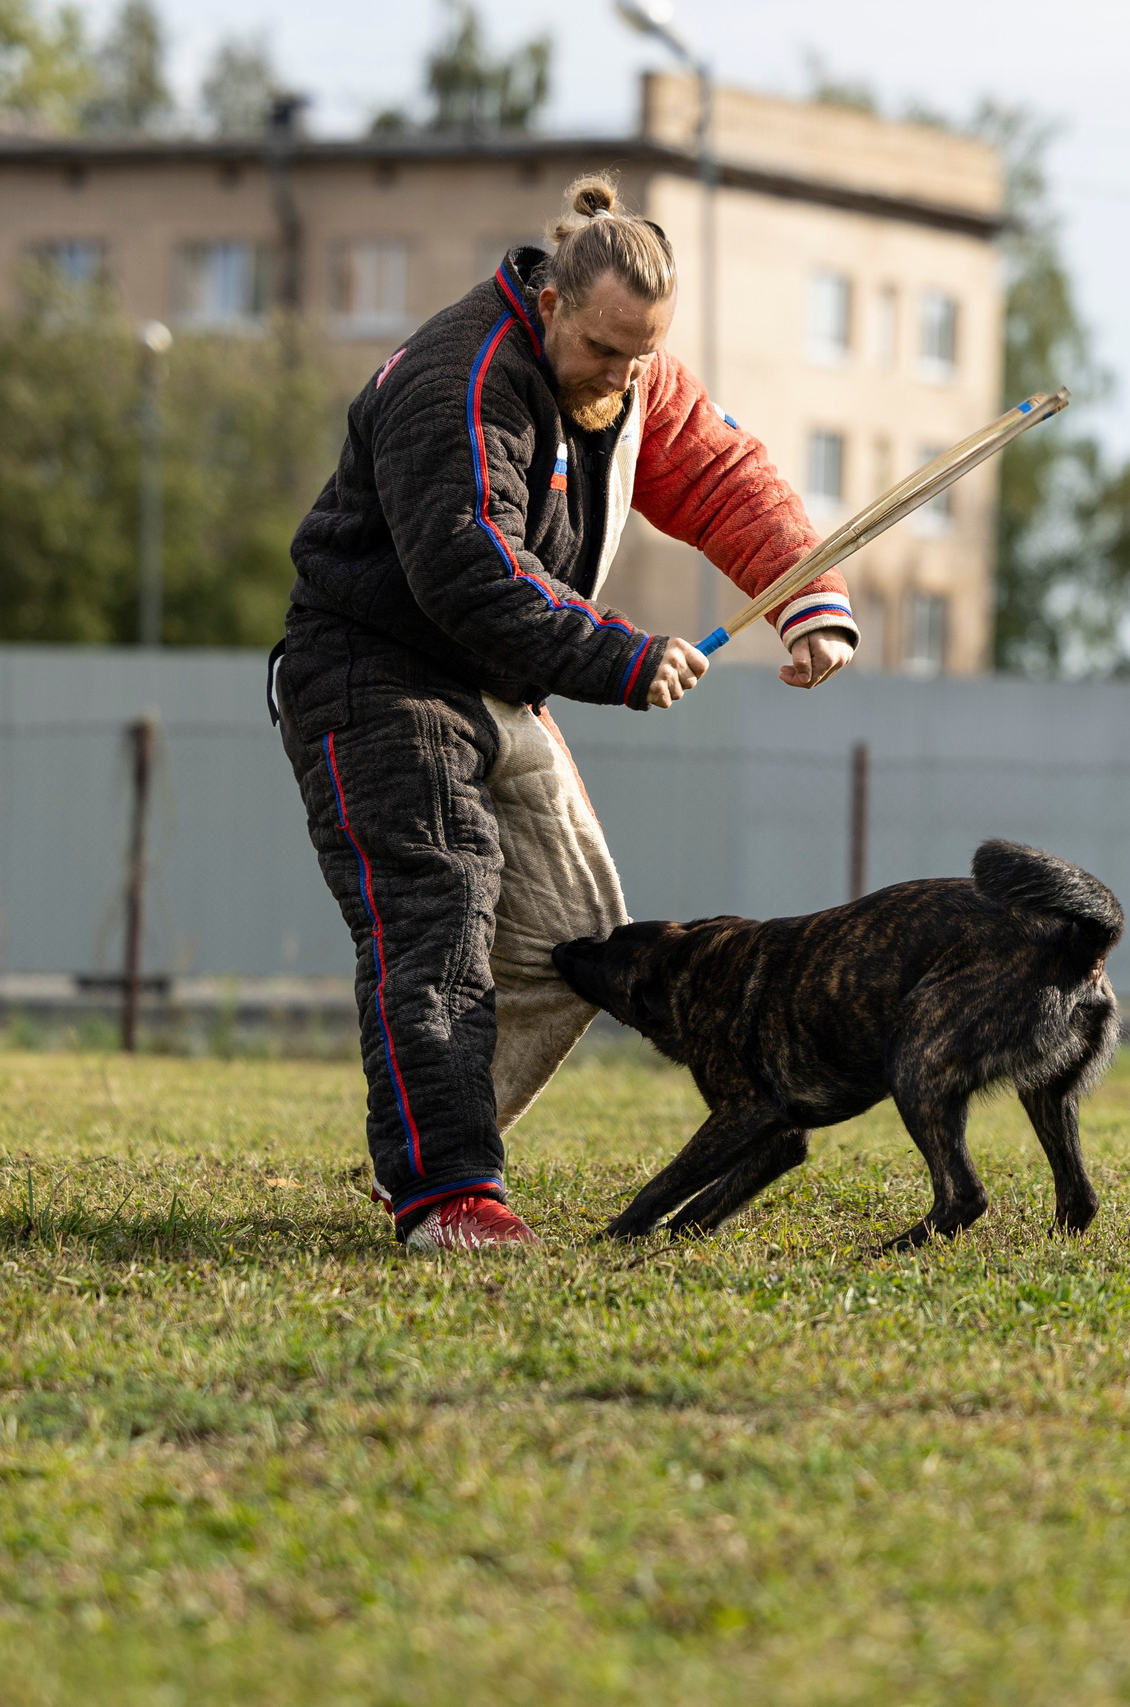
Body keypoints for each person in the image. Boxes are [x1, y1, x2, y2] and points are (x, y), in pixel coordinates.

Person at [270, 173, 858, 1252]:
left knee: (575, 944)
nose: (625, 379)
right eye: (603, 352)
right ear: (549, 304)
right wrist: (623, 658)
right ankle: (447, 1194)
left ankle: (428, 1147)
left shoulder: (631, 378)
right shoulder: (459, 384)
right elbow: (470, 571)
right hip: (377, 676)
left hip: (502, 683)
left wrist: (806, 602)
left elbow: (728, 477)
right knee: (439, 911)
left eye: (644, 356)